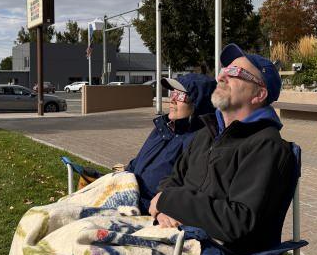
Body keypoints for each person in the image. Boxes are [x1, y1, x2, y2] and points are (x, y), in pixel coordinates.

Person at [149, 43, 294, 255]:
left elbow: (237, 222)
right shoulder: (206, 133)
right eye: (224, 70)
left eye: (235, 72)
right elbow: (173, 179)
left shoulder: (266, 146)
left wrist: (169, 201)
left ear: (259, 94)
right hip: (175, 237)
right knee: (88, 232)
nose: (221, 76)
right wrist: (163, 210)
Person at [76, 73, 216, 213]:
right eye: (172, 94)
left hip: (145, 208)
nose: (172, 100)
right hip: (126, 192)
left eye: (180, 96)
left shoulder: (199, 142)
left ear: (199, 104)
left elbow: (185, 191)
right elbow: (136, 164)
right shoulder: (163, 129)